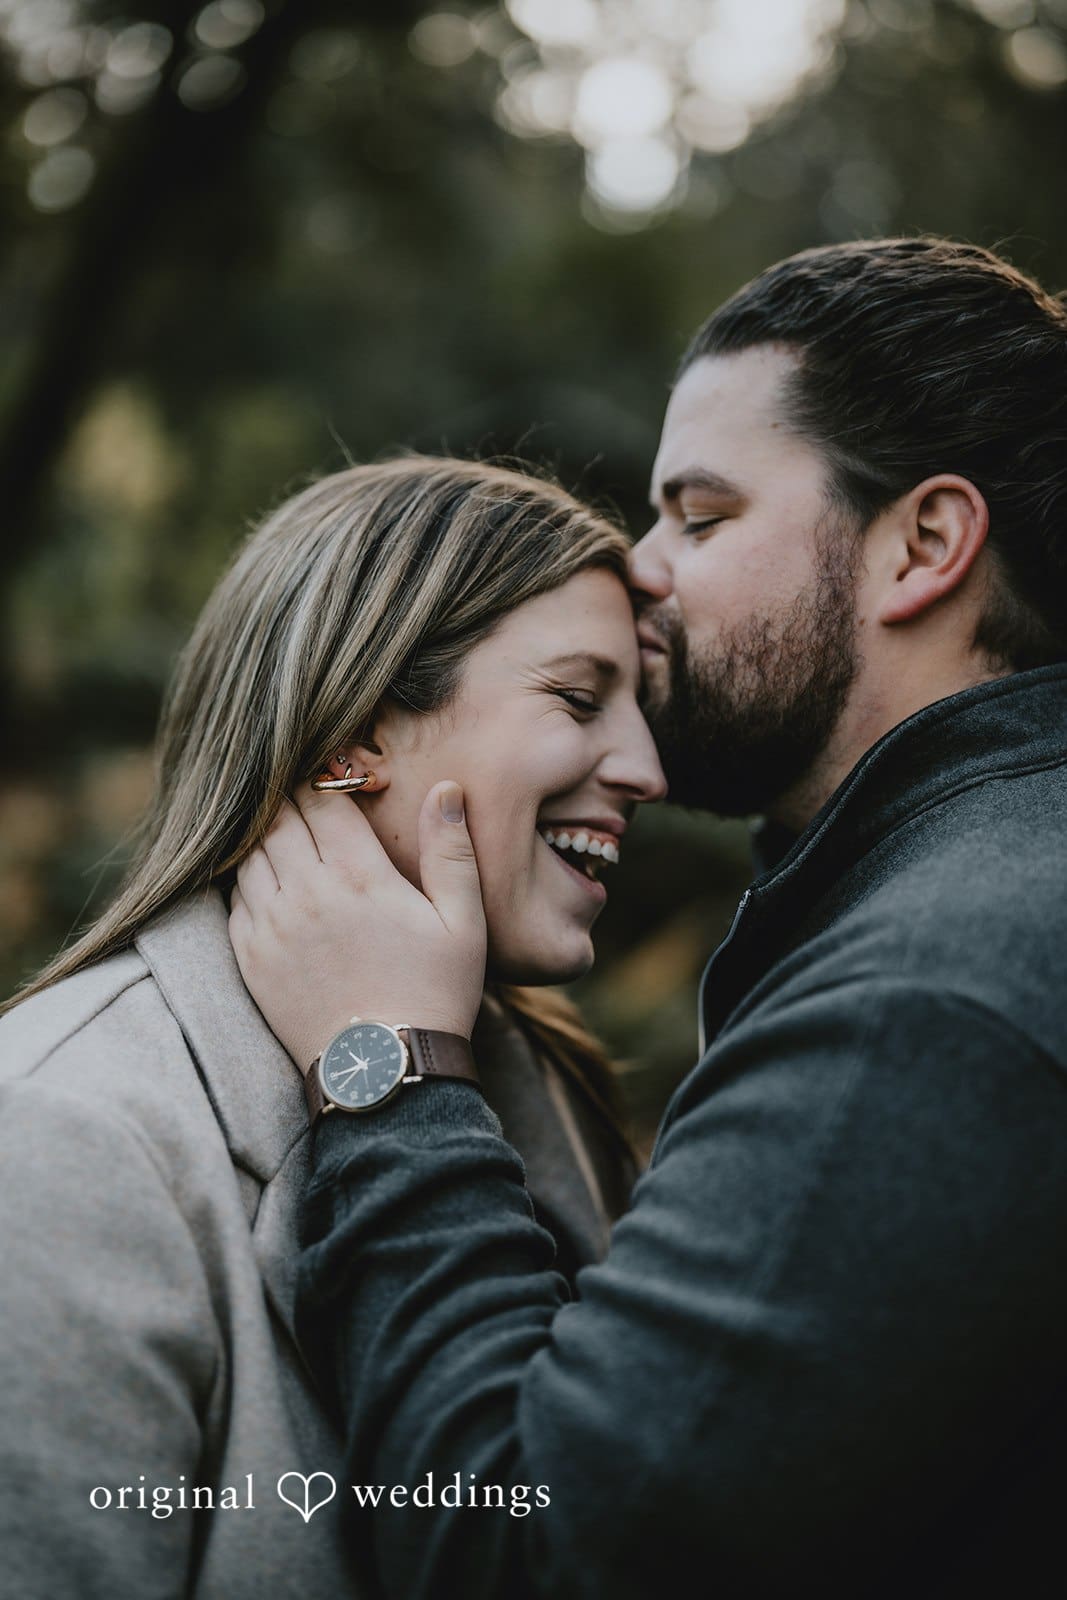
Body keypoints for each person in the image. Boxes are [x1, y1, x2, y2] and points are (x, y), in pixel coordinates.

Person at [229, 237, 1067, 1600]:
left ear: (920, 547)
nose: (641, 565)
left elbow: (530, 1554)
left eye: (700, 514)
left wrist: (390, 1070)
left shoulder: (928, 1001)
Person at [0, 455, 665, 1600]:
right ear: (351, 739)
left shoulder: (545, 1087)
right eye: (575, 697)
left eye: (641, 711)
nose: (646, 769)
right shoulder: (65, 1137)